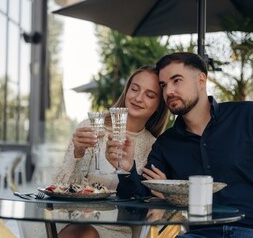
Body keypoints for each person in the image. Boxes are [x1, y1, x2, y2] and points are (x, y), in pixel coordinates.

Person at [106, 52, 253, 238]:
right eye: (164, 85)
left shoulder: (249, 116)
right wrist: (125, 168)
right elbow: (140, 196)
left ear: (201, 80)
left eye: (177, 80)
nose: (169, 91)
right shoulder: (166, 144)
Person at [52, 65, 170, 238]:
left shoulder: (155, 147)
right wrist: (77, 153)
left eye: (150, 95)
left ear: (159, 105)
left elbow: (145, 202)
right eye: (134, 89)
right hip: (74, 224)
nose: (138, 98)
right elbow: (58, 186)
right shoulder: (90, 127)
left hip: (118, 230)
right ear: (126, 91)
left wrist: (163, 193)